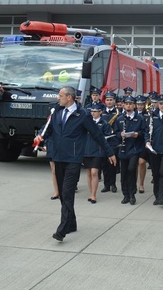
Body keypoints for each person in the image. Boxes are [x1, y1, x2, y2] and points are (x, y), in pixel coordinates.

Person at [34, 86, 115, 242]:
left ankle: (62, 229)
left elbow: (97, 134)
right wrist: (40, 137)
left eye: (61, 95)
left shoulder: (82, 115)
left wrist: (109, 152)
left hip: (73, 159)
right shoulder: (56, 111)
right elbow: (48, 129)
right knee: (63, 195)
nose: (58, 98)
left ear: (69, 97)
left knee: (68, 193)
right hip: (58, 158)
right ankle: (72, 223)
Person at [115, 95, 146, 205]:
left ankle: (132, 194)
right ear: (123, 105)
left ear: (134, 105)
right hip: (123, 149)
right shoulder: (119, 119)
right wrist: (120, 134)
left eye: (130, 104)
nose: (128, 105)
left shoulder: (140, 118)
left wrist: (137, 134)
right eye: (126, 103)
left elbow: (144, 132)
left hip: (134, 149)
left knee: (131, 169)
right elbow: (115, 133)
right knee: (123, 172)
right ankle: (126, 194)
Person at [84, 102, 111, 204]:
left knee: (94, 172)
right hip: (87, 150)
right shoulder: (87, 123)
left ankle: (94, 195)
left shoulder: (104, 124)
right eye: (92, 111)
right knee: (88, 173)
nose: (93, 113)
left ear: (100, 112)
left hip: (98, 151)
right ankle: (91, 193)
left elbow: (108, 136)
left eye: (95, 111)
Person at [100, 92, 120, 193]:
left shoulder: (117, 113)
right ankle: (106, 185)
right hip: (103, 141)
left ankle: (113, 184)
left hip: (113, 141)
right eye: (107, 100)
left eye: (111, 100)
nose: (109, 102)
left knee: (112, 164)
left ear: (114, 101)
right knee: (104, 164)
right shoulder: (102, 112)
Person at [136, 95, 150, 194]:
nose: (140, 106)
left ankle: (141, 184)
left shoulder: (148, 115)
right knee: (133, 164)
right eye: (138, 104)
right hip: (133, 141)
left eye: (141, 104)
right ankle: (133, 182)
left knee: (141, 162)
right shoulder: (133, 114)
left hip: (143, 141)